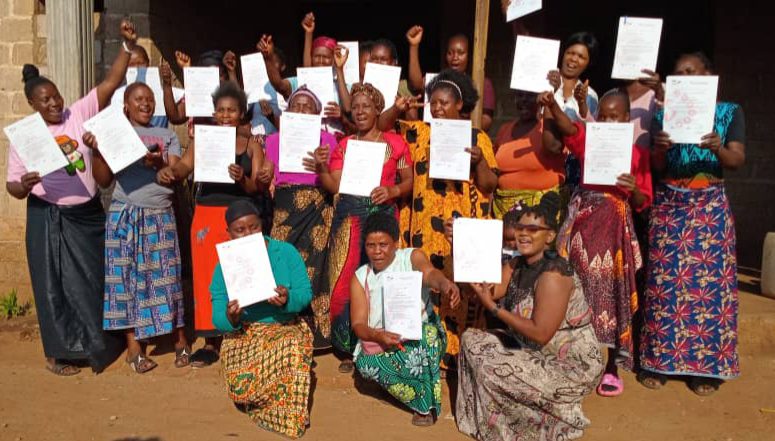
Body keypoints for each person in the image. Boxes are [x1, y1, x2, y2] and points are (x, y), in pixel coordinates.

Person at [4, 19, 138, 375]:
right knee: (54, 288)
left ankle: (99, 345)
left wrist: (126, 47)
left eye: (56, 96)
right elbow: (12, 188)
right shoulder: (25, 137)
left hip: (88, 215)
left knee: (95, 280)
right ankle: (58, 354)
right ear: (33, 104)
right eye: (45, 100)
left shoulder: (77, 113)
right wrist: (26, 184)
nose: (54, 103)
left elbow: (110, 84)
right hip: (49, 217)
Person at [638, 52, 745, 396]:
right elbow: (656, 165)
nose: (684, 76)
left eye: (691, 72)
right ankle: (658, 362)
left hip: (709, 209)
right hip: (671, 207)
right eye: (678, 73)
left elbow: (737, 160)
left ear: (709, 76)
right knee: (663, 287)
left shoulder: (729, 113)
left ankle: (705, 370)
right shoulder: (662, 114)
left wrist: (718, 148)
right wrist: (659, 148)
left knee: (710, 290)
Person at [456, 193, 603, 441]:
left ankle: (552, 417)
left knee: (493, 364)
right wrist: (461, 245)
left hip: (566, 365)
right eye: (520, 227)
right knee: (473, 341)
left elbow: (541, 333)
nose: (523, 234)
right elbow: (487, 289)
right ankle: (505, 416)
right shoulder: (517, 264)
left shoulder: (555, 274)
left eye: (533, 229)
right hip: (532, 350)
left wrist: (494, 309)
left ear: (549, 236)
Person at [543, 88, 652, 396]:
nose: (607, 120)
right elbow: (569, 129)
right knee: (576, 289)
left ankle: (611, 366)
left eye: (614, 116)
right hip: (582, 226)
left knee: (610, 295)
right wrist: (552, 104)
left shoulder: (636, 156)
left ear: (627, 119)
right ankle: (570, 360)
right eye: (602, 115)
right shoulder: (590, 141)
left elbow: (645, 202)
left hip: (614, 231)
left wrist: (633, 189)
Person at [157, 82, 265, 367]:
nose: (226, 115)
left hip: (240, 215)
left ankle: (245, 337)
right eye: (221, 110)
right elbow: (184, 166)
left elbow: (256, 187)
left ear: (242, 113)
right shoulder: (202, 140)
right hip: (206, 214)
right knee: (207, 276)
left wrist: (242, 177)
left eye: (232, 110)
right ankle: (211, 341)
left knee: (243, 276)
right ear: (214, 113)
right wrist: (171, 171)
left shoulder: (252, 145)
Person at [83, 83, 189, 373]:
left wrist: (158, 163)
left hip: (160, 215)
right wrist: (97, 151)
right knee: (125, 279)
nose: (146, 104)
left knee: (168, 279)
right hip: (124, 214)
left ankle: (180, 340)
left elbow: (175, 175)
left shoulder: (167, 136)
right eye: (138, 99)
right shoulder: (115, 135)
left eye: (150, 99)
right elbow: (104, 180)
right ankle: (134, 348)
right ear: (126, 106)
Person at [398, 69, 497, 371]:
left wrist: (478, 161)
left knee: (462, 287)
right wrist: (398, 108)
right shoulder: (420, 133)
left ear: (459, 105)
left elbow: (489, 185)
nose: (438, 108)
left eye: (444, 103)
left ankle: (459, 354)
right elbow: (385, 129)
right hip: (425, 222)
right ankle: (429, 352)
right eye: (434, 103)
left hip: (459, 224)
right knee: (428, 283)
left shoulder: (477, 137)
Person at [312, 83, 413, 372]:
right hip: (349, 218)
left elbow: (409, 182)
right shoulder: (344, 145)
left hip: (382, 217)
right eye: (355, 107)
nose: (359, 112)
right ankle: (349, 346)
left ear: (378, 109)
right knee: (346, 278)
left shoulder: (396, 143)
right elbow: (334, 185)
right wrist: (320, 169)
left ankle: (383, 343)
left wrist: (392, 192)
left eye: (366, 106)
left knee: (381, 279)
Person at [211, 200, 313, 439]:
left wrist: (288, 300)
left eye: (253, 227)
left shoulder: (285, 252)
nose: (248, 234)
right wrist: (230, 316)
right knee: (239, 388)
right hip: (244, 333)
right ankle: (263, 402)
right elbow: (217, 314)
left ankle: (287, 416)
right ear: (229, 233)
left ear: (262, 226)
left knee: (292, 347)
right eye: (240, 230)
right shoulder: (224, 265)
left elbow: (304, 293)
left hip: (283, 326)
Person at [350, 213, 460, 426]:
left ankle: (424, 406)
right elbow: (359, 325)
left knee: (426, 339)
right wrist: (377, 335)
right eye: (371, 245)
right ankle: (404, 387)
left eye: (383, 244)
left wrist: (445, 284)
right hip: (383, 339)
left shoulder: (411, 257)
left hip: (419, 336)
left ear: (397, 243)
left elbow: (429, 273)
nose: (377, 251)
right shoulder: (361, 276)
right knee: (364, 365)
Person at [260, 86, 338, 348]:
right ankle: (284, 322)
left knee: (317, 266)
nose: (302, 110)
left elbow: (334, 182)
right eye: (297, 105)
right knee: (283, 260)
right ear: (288, 111)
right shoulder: (273, 140)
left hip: (318, 206)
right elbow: (268, 175)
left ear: (317, 113)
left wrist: (321, 165)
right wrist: (263, 177)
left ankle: (318, 331)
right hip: (285, 207)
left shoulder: (328, 140)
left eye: (308, 106)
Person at [257, 31, 347, 138]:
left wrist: (342, 115)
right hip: (301, 139)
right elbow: (279, 85)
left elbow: (351, 113)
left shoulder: (342, 86)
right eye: (317, 56)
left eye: (326, 57)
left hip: (334, 142)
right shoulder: (299, 81)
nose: (321, 61)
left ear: (333, 59)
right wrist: (268, 59)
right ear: (311, 57)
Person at [406, 26, 497, 131]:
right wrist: (414, 46)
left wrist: (455, 127)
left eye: (461, 53)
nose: (455, 57)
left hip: (465, 140)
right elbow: (416, 84)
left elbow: (486, 120)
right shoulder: (439, 81)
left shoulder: (482, 83)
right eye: (450, 53)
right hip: (436, 137)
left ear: (470, 56)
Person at [492, 90, 566, 218]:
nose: (524, 100)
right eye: (520, 95)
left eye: (530, 96)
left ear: (539, 99)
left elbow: (553, 147)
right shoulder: (504, 129)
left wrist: (549, 104)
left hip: (542, 214)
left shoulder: (548, 128)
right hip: (504, 213)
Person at [547, 32, 600, 193]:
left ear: (588, 63)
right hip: (545, 159)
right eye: (570, 53)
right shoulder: (545, 79)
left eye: (581, 57)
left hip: (574, 169)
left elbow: (592, 135)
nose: (574, 59)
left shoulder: (590, 95)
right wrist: (552, 90)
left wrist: (582, 104)